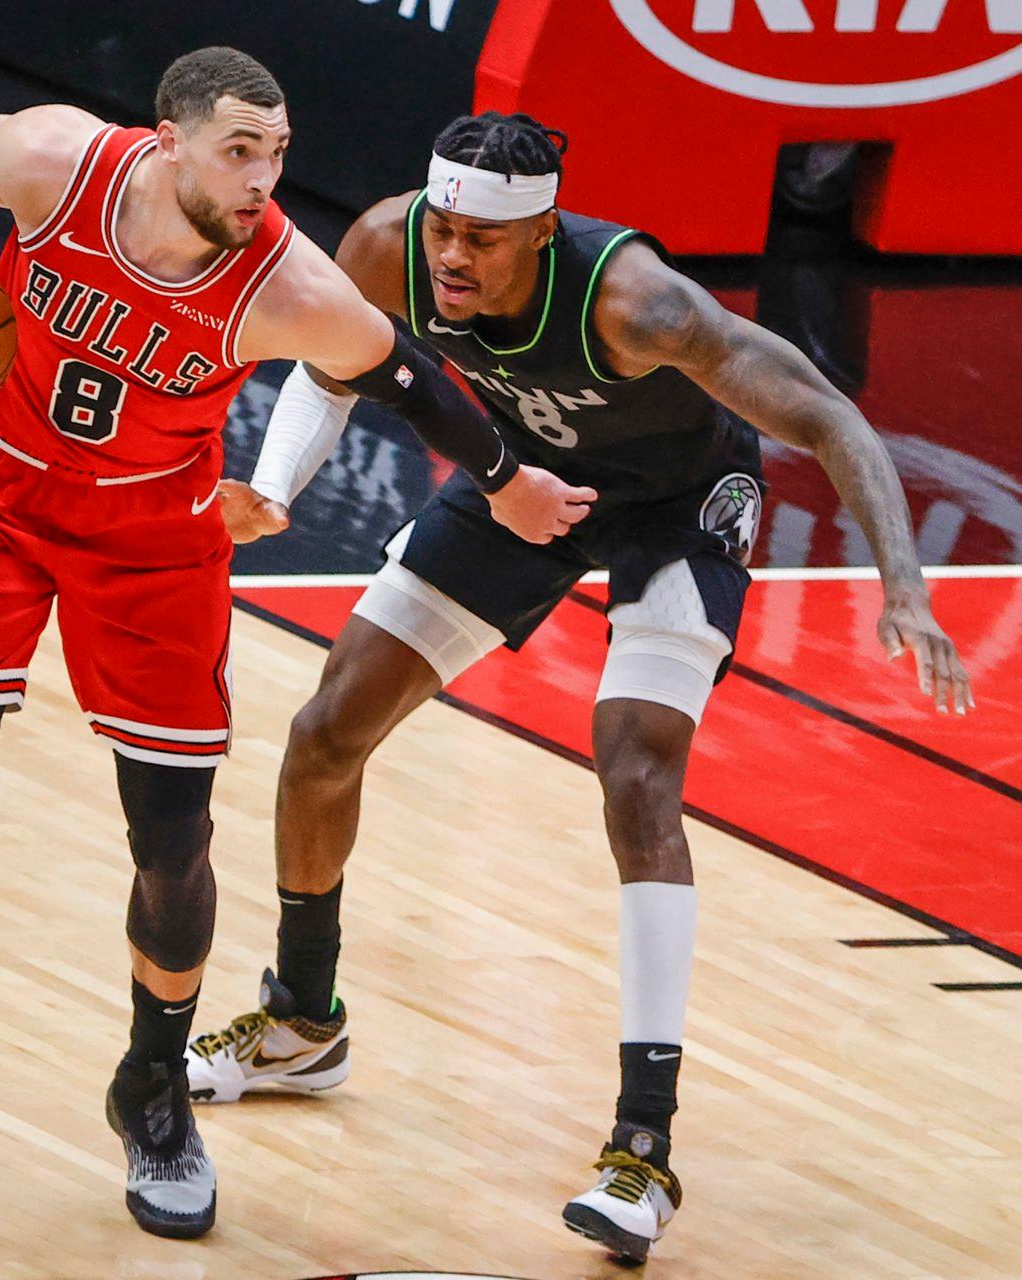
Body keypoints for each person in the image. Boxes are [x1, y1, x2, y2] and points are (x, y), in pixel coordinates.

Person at [0, 50, 592, 1239]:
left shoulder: (286, 283)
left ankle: (152, 1084)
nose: (265, 179)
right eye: (239, 151)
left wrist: (510, 479)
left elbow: (406, 373)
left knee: (173, 837)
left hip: (152, 529)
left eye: (278, 154)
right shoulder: (63, 164)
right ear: (167, 139)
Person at [188, 112, 975, 1264]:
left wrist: (904, 586)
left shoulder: (638, 303)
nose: (450, 257)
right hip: (523, 486)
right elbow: (331, 370)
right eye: (443, 228)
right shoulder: (385, 244)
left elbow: (830, 415)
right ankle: (305, 1020)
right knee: (324, 730)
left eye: (481, 241)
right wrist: (269, 486)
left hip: (678, 504)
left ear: (544, 233)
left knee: (637, 774)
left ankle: (641, 1148)